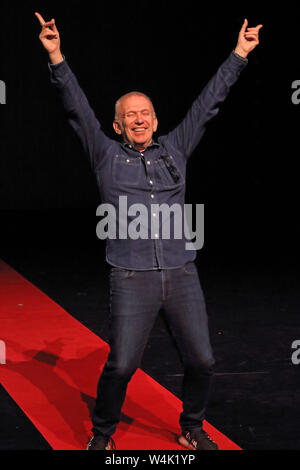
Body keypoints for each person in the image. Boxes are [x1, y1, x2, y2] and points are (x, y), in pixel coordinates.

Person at [35, 12, 262, 451]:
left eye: (145, 114)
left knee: (203, 359)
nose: (139, 120)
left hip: (181, 273)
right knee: (120, 365)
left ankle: (192, 426)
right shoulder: (104, 155)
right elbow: (76, 107)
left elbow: (208, 102)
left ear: (155, 121)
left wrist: (239, 53)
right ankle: (103, 433)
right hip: (131, 276)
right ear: (118, 125)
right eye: (129, 116)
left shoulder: (175, 147)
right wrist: (56, 55)